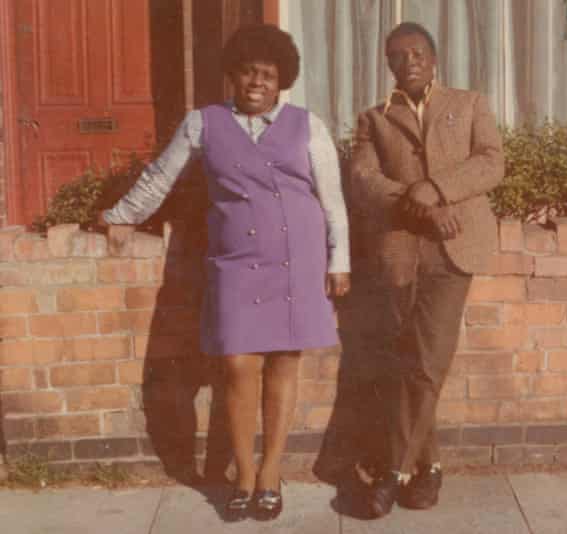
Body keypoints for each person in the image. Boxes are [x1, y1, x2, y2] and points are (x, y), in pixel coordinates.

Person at [98, 24, 350, 522]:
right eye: (249, 73)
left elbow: (332, 198)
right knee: (237, 365)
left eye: (269, 75)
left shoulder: (308, 125)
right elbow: (161, 176)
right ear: (232, 76)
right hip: (236, 264)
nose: (258, 83)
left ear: (282, 81)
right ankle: (243, 471)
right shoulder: (203, 123)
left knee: (282, 363)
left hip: (297, 260)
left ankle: (271, 473)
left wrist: (339, 259)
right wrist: (121, 215)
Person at [349, 22, 504, 518]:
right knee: (405, 360)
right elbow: (363, 180)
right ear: (389, 66)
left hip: (454, 249)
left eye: (417, 53)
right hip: (398, 249)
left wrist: (435, 188)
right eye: (397, 56)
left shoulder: (470, 103)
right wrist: (417, 203)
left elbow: (491, 163)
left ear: (435, 60)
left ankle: (392, 471)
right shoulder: (375, 118)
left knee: (429, 359)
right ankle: (429, 468)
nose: (409, 61)